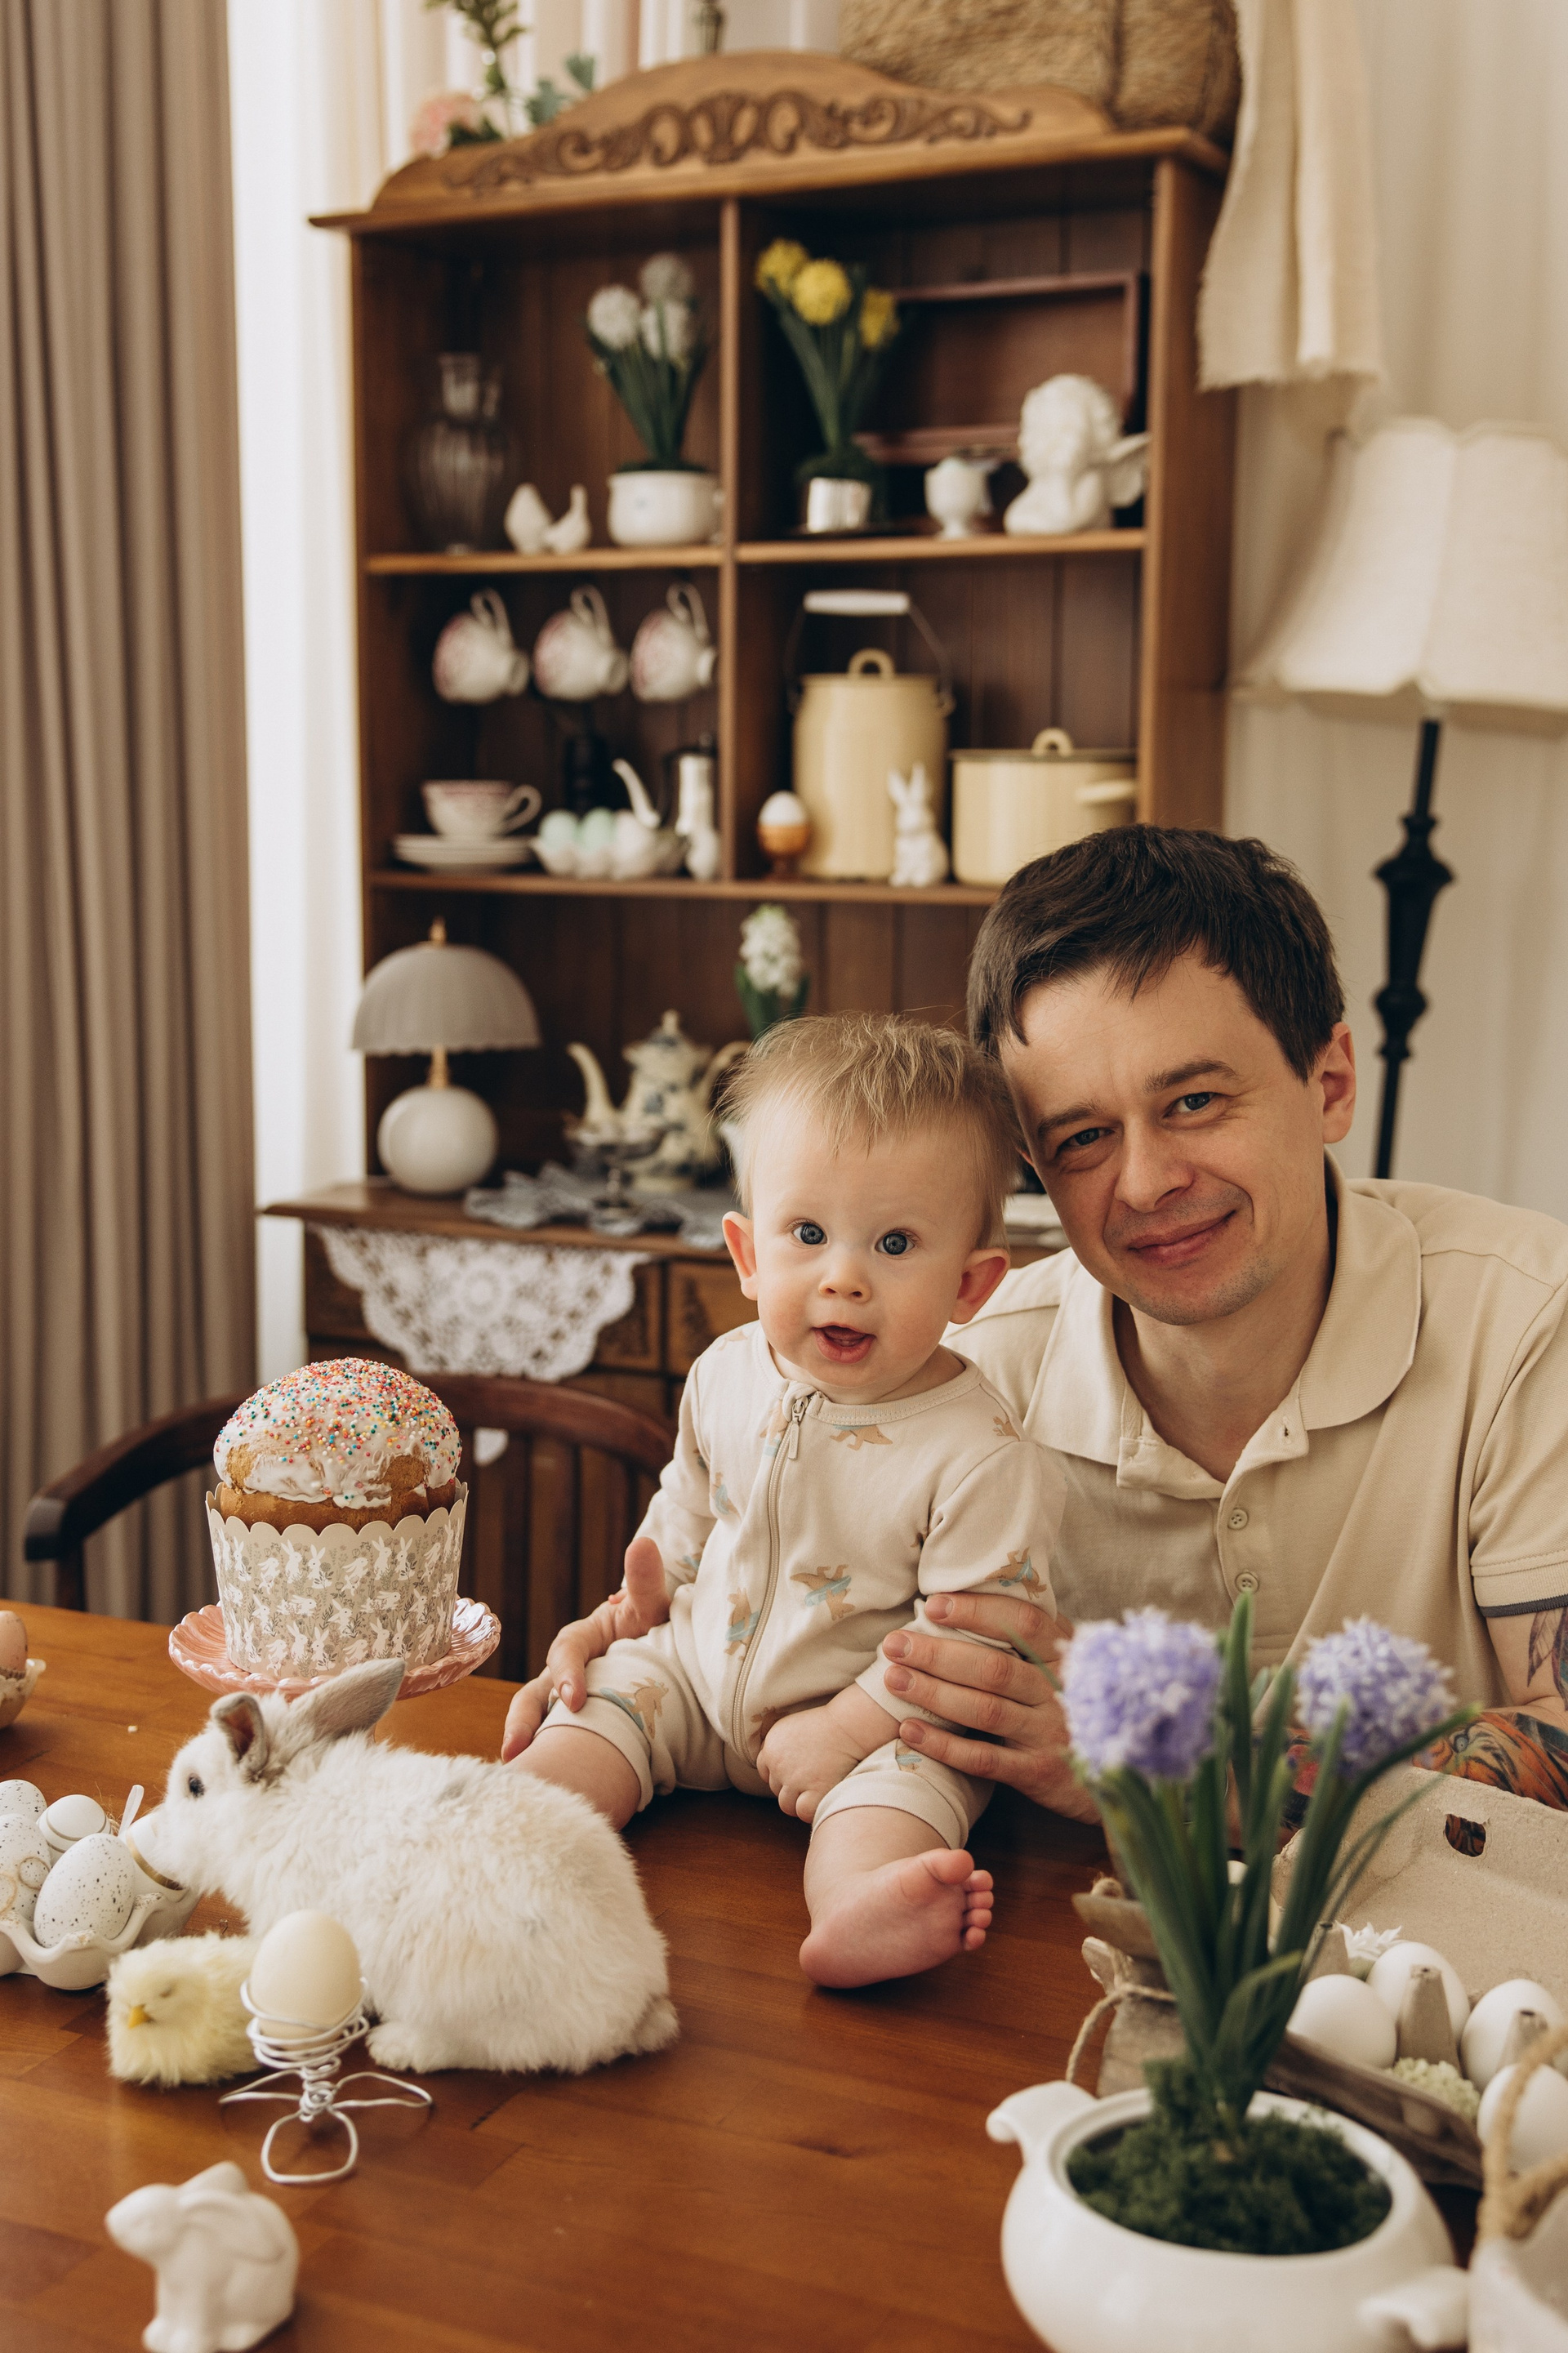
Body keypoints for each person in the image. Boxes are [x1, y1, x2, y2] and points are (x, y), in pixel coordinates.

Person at [870, 827, 1568, 1816]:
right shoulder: (966, 1379)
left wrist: (1170, 1762)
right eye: (1084, 1137)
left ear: (1329, 1085)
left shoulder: (1531, 1318)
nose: (1146, 1183)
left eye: (1194, 1100)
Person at [503, 1013, 1066, 1981]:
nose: (843, 1277)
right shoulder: (725, 1370)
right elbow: (688, 1506)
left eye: (896, 1243)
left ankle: (859, 1907)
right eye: (807, 1234)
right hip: (695, 1675)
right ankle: (510, 1835)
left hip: (873, 1722)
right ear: (748, 1253)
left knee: (911, 1788)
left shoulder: (980, 1452)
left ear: (971, 1284)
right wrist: (626, 1609)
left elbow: (974, 1644)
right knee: (596, 1714)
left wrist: (846, 1728)